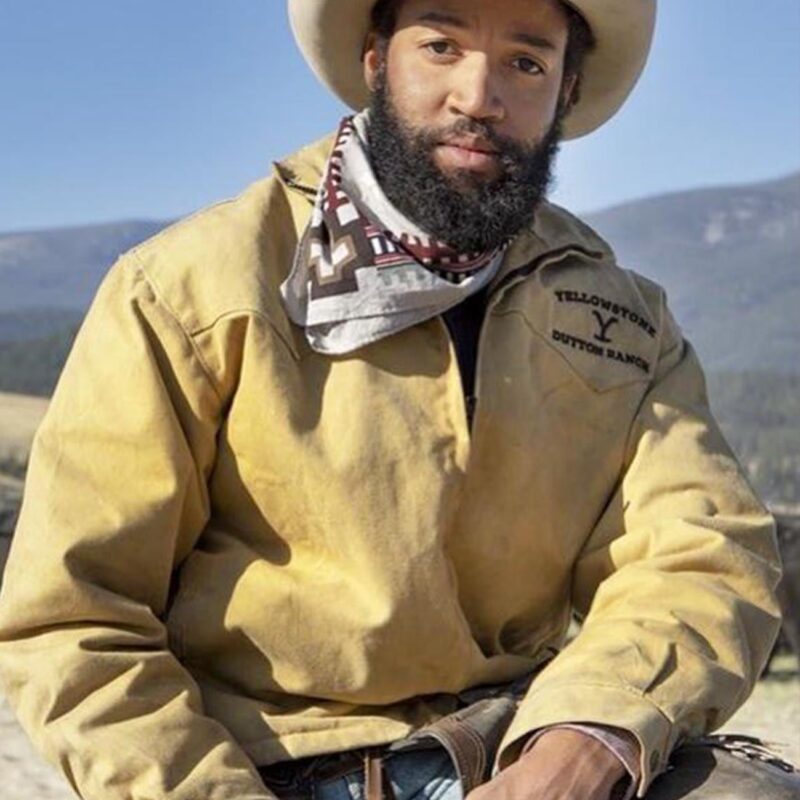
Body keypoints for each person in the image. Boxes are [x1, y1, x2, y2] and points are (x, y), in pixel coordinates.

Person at [0, 1, 796, 798]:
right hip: (265, 762)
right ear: (377, 61)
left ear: (567, 92)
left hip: (517, 741)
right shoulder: (190, 289)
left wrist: (587, 739)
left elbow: (701, 556)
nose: (478, 97)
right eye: (441, 46)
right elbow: (75, 619)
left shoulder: (619, 318)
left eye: (526, 63)